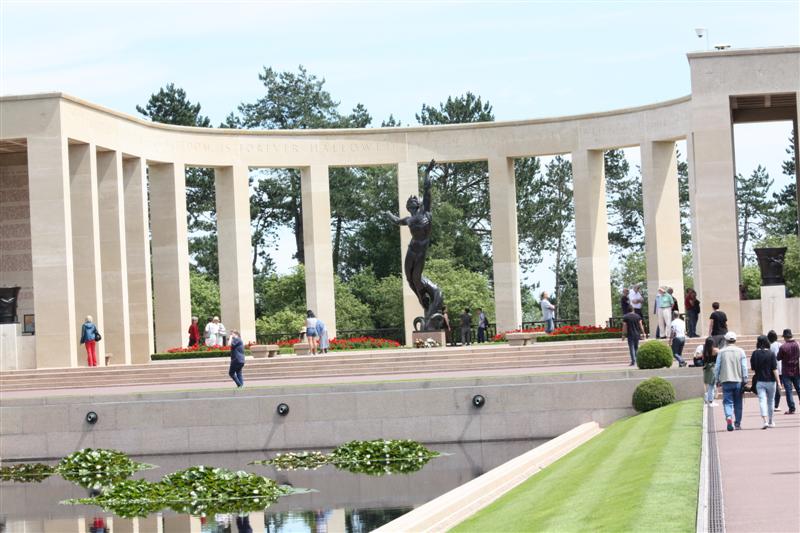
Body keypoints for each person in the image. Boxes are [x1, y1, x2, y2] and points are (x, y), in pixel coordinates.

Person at [714, 331, 748, 431]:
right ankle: (737, 423)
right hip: (738, 380)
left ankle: (728, 417)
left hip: (725, 380)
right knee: (738, 403)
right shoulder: (741, 351)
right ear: (735, 340)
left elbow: (717, 367)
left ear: (726, 340)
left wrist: (717, 379)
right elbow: (744, 367)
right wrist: (745, 378)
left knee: (727, 402)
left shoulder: (721, 352)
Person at [751, 335, 780, 429]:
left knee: (762, 401)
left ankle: (765, 421)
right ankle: (771, 421)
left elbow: (753, 368)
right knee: (771, 401)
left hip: (760, 380)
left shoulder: (755, 353)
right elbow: (774, 369)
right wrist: (778, 382)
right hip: (771, 381)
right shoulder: (771, 353)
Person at [777, 329, 800, 415]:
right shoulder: (798, 345)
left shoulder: (783, 347)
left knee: (789, 391)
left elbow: (778, 357)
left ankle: (791, 408)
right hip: (797, 370)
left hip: (786, 371)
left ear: (785, 337)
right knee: (799, 388)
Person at [767, 330, 782, 411]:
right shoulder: (780, 345)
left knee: (772, 388)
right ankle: (776, 405)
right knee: (778, 387)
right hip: (780, 369)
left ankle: (771, 404)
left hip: (771, 369)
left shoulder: (768, 346)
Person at [701, 337, 719, 404]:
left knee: (707, 384)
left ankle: (706, 398)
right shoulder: (715, 350)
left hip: (706, 368)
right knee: (712, 384)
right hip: (713, 368)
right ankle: (710, 400)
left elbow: (703, 359)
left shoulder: (705, 350)